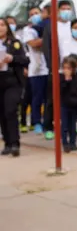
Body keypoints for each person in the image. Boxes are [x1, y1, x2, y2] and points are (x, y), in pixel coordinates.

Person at [42, 0, 74, 140]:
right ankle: (48, 126)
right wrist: (52, 67)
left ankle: (73, 126)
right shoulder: (51, 26)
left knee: (73, 98)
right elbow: (46, 48)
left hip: (72, 68)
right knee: (52, 99)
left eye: (68, 8)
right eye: (64, 8)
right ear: (58, 10)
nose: (66, 11)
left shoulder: (73, 25)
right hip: (57, 69)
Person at [0, 18, 29, 156]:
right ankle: (7, 142)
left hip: (13, 81)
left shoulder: (15, 43)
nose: (0, 28)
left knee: (10, 110)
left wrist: (13, 58)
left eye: (2, 25)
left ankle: (15, 143)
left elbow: (25, 59)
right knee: (2, 113)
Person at [22, 6, 48, 134]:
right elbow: (34, 44)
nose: (35, 15)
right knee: (36, 98)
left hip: (48, 68)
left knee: (48, 98)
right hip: (36, 70)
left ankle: (48, 122)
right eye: (32, 14)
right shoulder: (28, 30)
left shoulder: (46, 27)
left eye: (37, 13)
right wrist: (47, 38)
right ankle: (36, 122)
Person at [60, 55, 77, 153]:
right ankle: (65, 143)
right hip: (64, 105)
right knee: (64, 125)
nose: (66, 70)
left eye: (69, 68)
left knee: (73, 125)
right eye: (64, 68)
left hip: (74, 105)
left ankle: (73, 143)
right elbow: (61, 91)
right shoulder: (61, 78)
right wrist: (66, 81)